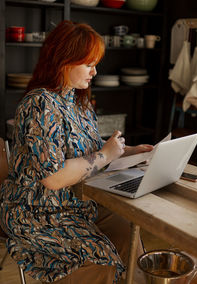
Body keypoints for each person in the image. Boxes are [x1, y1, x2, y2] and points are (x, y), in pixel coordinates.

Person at [0, 20, 153, 283]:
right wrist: (106, 155)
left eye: (96, 64)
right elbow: (54, 178)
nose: (95, 72)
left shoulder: (80, 104)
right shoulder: (40, 104)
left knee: (130, 232)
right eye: (89, 64)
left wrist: (130, 151)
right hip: (36, 212)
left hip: (77, 203)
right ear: (63, 60)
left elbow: (95, 152)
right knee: (100, 256)